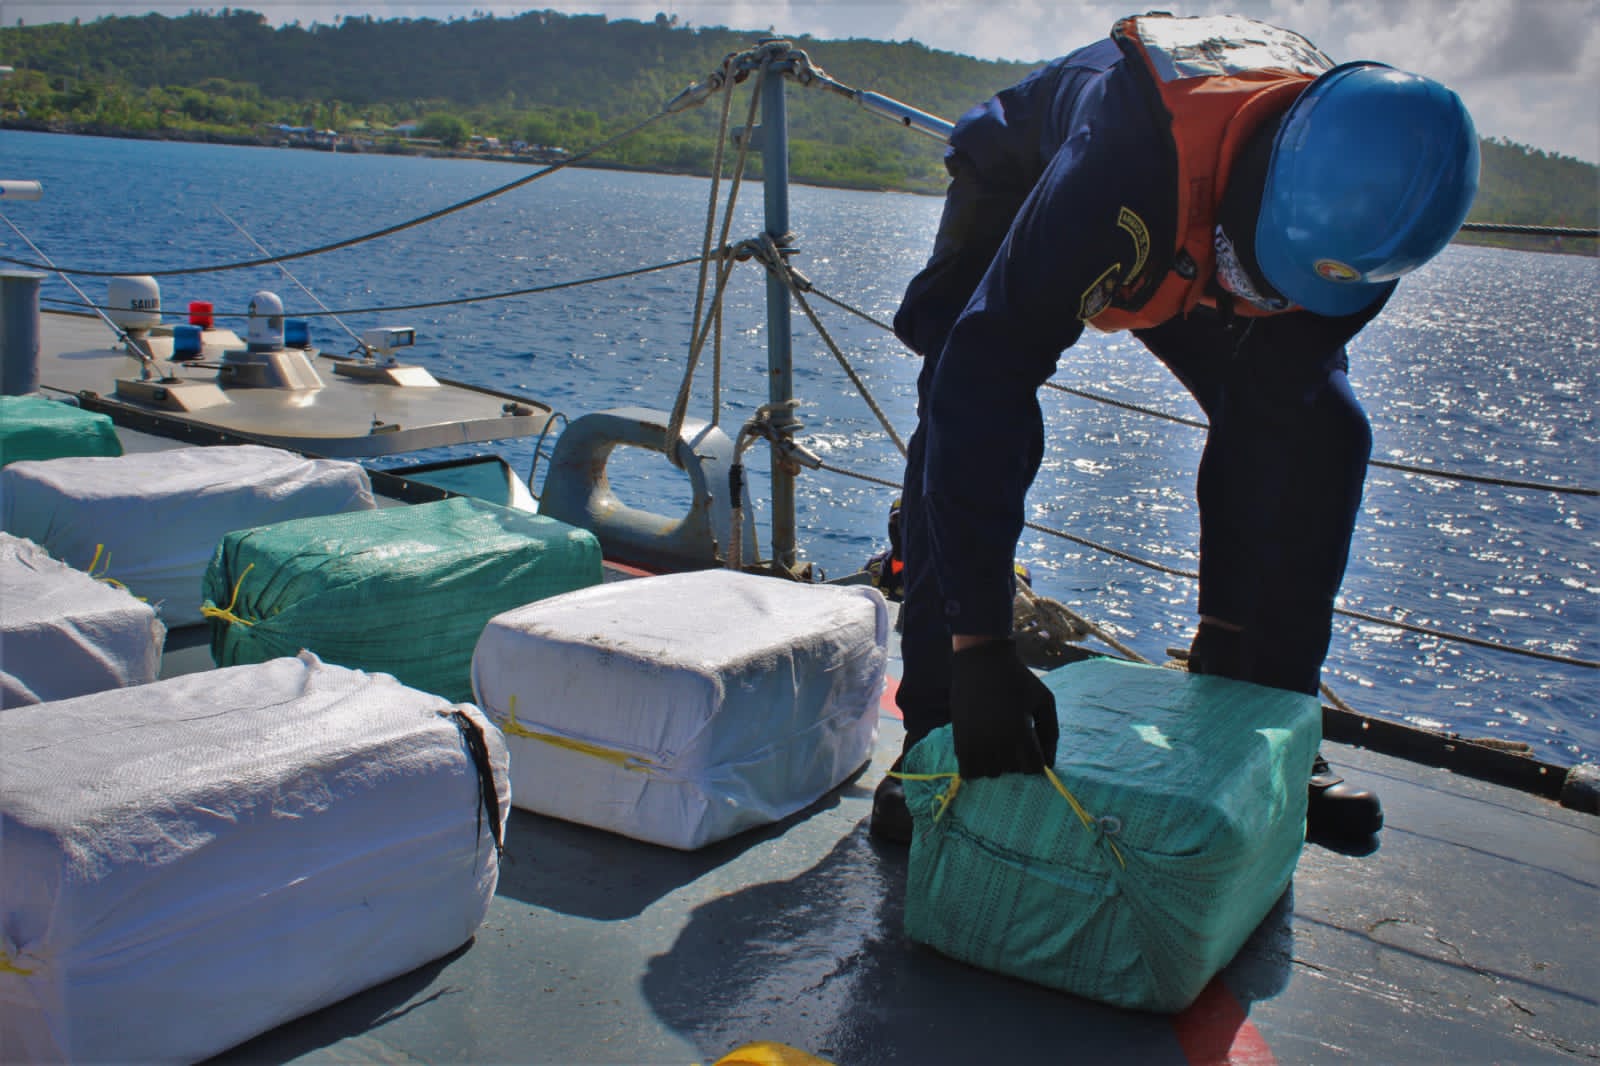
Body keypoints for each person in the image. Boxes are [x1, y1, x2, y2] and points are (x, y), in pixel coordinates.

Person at [871, 13, 1479, 844]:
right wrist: (980, 645)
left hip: (1203, 231)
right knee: (957, 390)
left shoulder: (1369, 229)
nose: (1264, 302)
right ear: (1268, 181)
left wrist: (1233, 637)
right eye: (1264, 279)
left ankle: (1273, 722)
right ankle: (936, 730)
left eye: (1286, 289)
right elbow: (986, 381)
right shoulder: (1124, 161)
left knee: (1324, 432)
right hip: (1043, 180)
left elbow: (1268, 410)